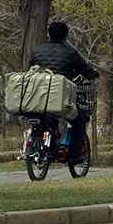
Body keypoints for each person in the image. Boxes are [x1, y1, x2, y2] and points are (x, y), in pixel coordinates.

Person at [27, 21, 99, 155]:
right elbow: (85, 69)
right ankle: (74, 156)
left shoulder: (36, 51)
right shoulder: (70, 53)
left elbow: (29, 70)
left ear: (49, 35)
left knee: (43, 117)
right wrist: (94, 74)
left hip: (37, 97)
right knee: (79, 122)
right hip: (60, 98)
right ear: (66, 37)